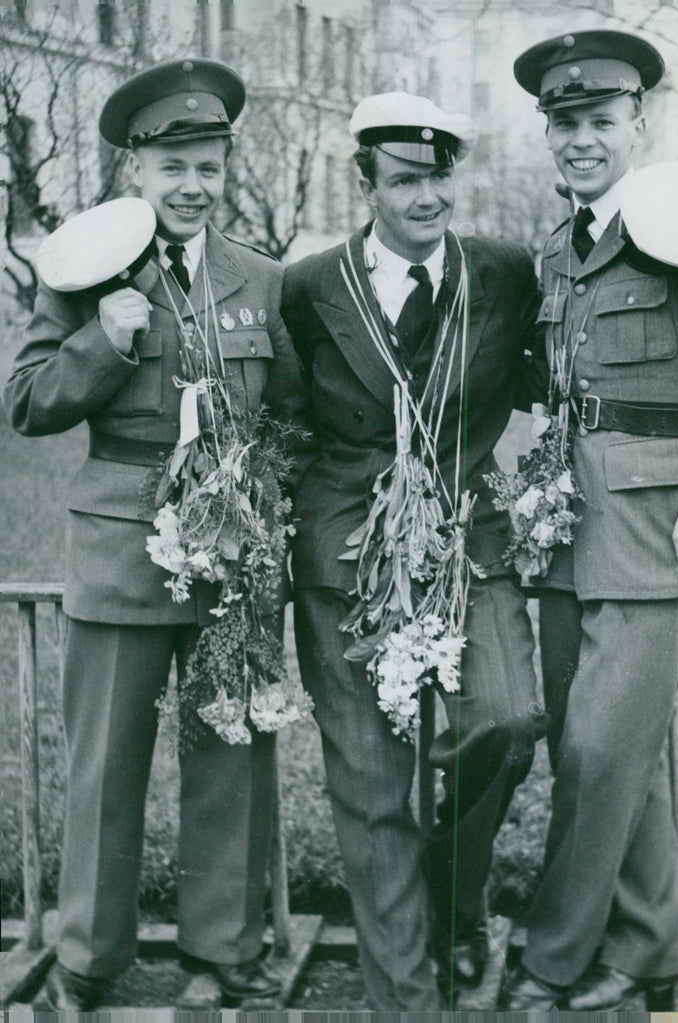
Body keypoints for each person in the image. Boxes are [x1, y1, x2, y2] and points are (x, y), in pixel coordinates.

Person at [5, 59, 305, 1011]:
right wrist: (104, 338)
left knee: (231, 758)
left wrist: (262, 504)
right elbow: (26, 402)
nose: (191, 186)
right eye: (172, 166)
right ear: (133, 167)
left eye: (208, 167)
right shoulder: (83, 271)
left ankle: (223, 950)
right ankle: (88, 956)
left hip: (232, 557)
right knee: (104, 764)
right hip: (120, 548)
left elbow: (295, 415)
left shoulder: (262, 277)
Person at [506, 30, 678, 1010]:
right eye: (564, 123)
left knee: (597, 750)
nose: (581, 139)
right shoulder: (557, 249)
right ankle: (650, 946)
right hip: (564, 534)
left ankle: (555, 959)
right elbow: (544, 392)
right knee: (600, 751)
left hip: (663, 535)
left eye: (599, 120)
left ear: (639, 124)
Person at [280, 91, 548, 1010]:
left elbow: (555, 376)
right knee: (371, 784)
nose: (427, 197)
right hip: (346, 554)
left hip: (470, 539)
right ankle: (406, 999)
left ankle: (453, 906)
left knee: (507, 720)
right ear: (367, 185)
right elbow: (287, 417)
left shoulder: (504, 272)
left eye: (438, 177)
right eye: (403, 181)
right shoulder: (309, 286)